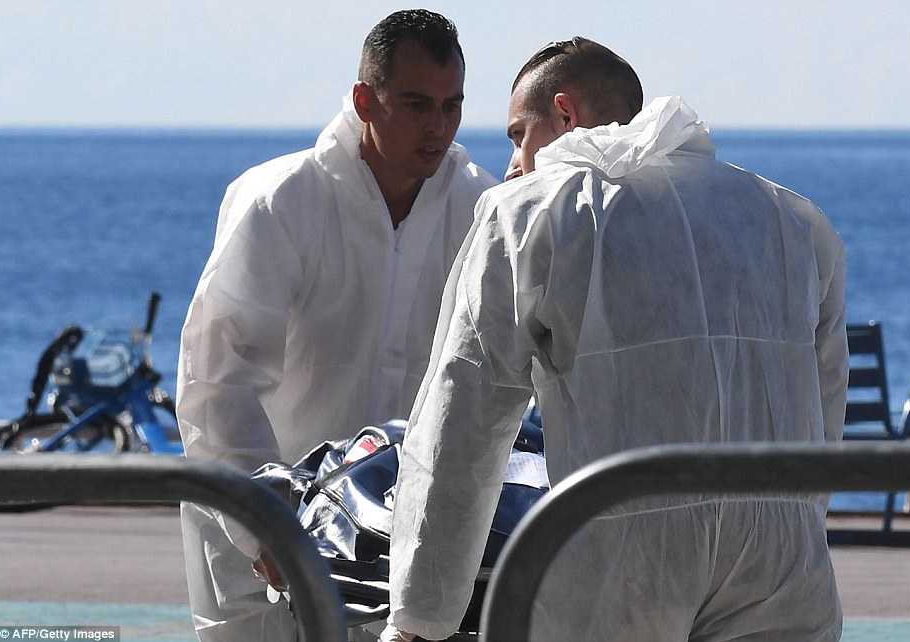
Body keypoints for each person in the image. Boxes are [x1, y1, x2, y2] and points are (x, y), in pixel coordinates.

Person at [383, 37, 848, 641]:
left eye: (519, 135)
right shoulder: (794, 219)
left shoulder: (531, 214)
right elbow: (824, 401)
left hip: (622, 547)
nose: (514, 163)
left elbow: (463, 417)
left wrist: (421, 616)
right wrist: (800, 523)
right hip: (780, 552)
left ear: (565, 114)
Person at [176, 10, 498, 641]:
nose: (437, 127)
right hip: (259, 542)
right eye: (415, 104)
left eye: (451, 106)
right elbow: (218, 379)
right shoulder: (280, 199)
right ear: (364, 100)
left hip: (406, 548)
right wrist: (264, 522)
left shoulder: (481, 210)